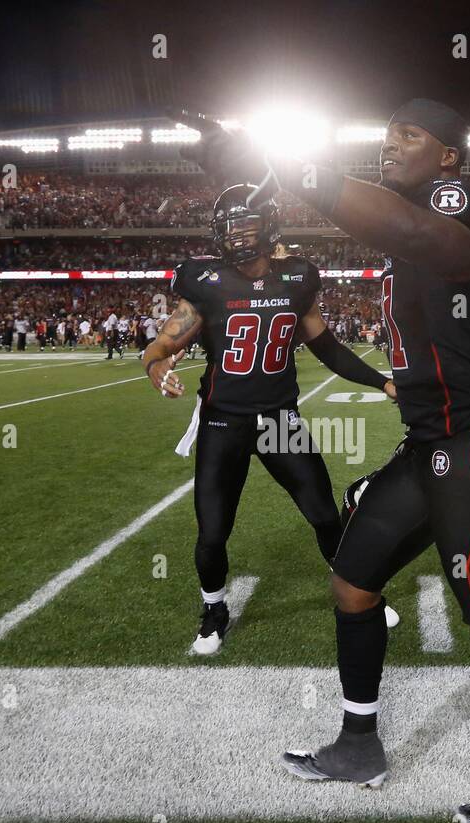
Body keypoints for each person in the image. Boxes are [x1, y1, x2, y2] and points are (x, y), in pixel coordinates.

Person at [181, 100, 470, 823]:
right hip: (430, 442)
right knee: (353, 583)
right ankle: (360, 744)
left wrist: (287, 169)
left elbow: (425, 236)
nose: (390, 146)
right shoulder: (398, 213)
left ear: (449, 156)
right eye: (386, 137)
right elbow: (380, 219)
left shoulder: (458, 204)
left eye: (410, 137)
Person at [144, 184, 401, 655]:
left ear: (270, 226)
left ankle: (361, 590)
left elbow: (326, 348)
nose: (239, 238)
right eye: (231, 229)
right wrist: (156, 363)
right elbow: (163, 344)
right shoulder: (205, 281)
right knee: (214, 530)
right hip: (224, 421)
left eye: (247, 226)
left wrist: (382, 382)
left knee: (324, 513)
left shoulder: (297, 276)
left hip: (279, 419)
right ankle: (214, 609)